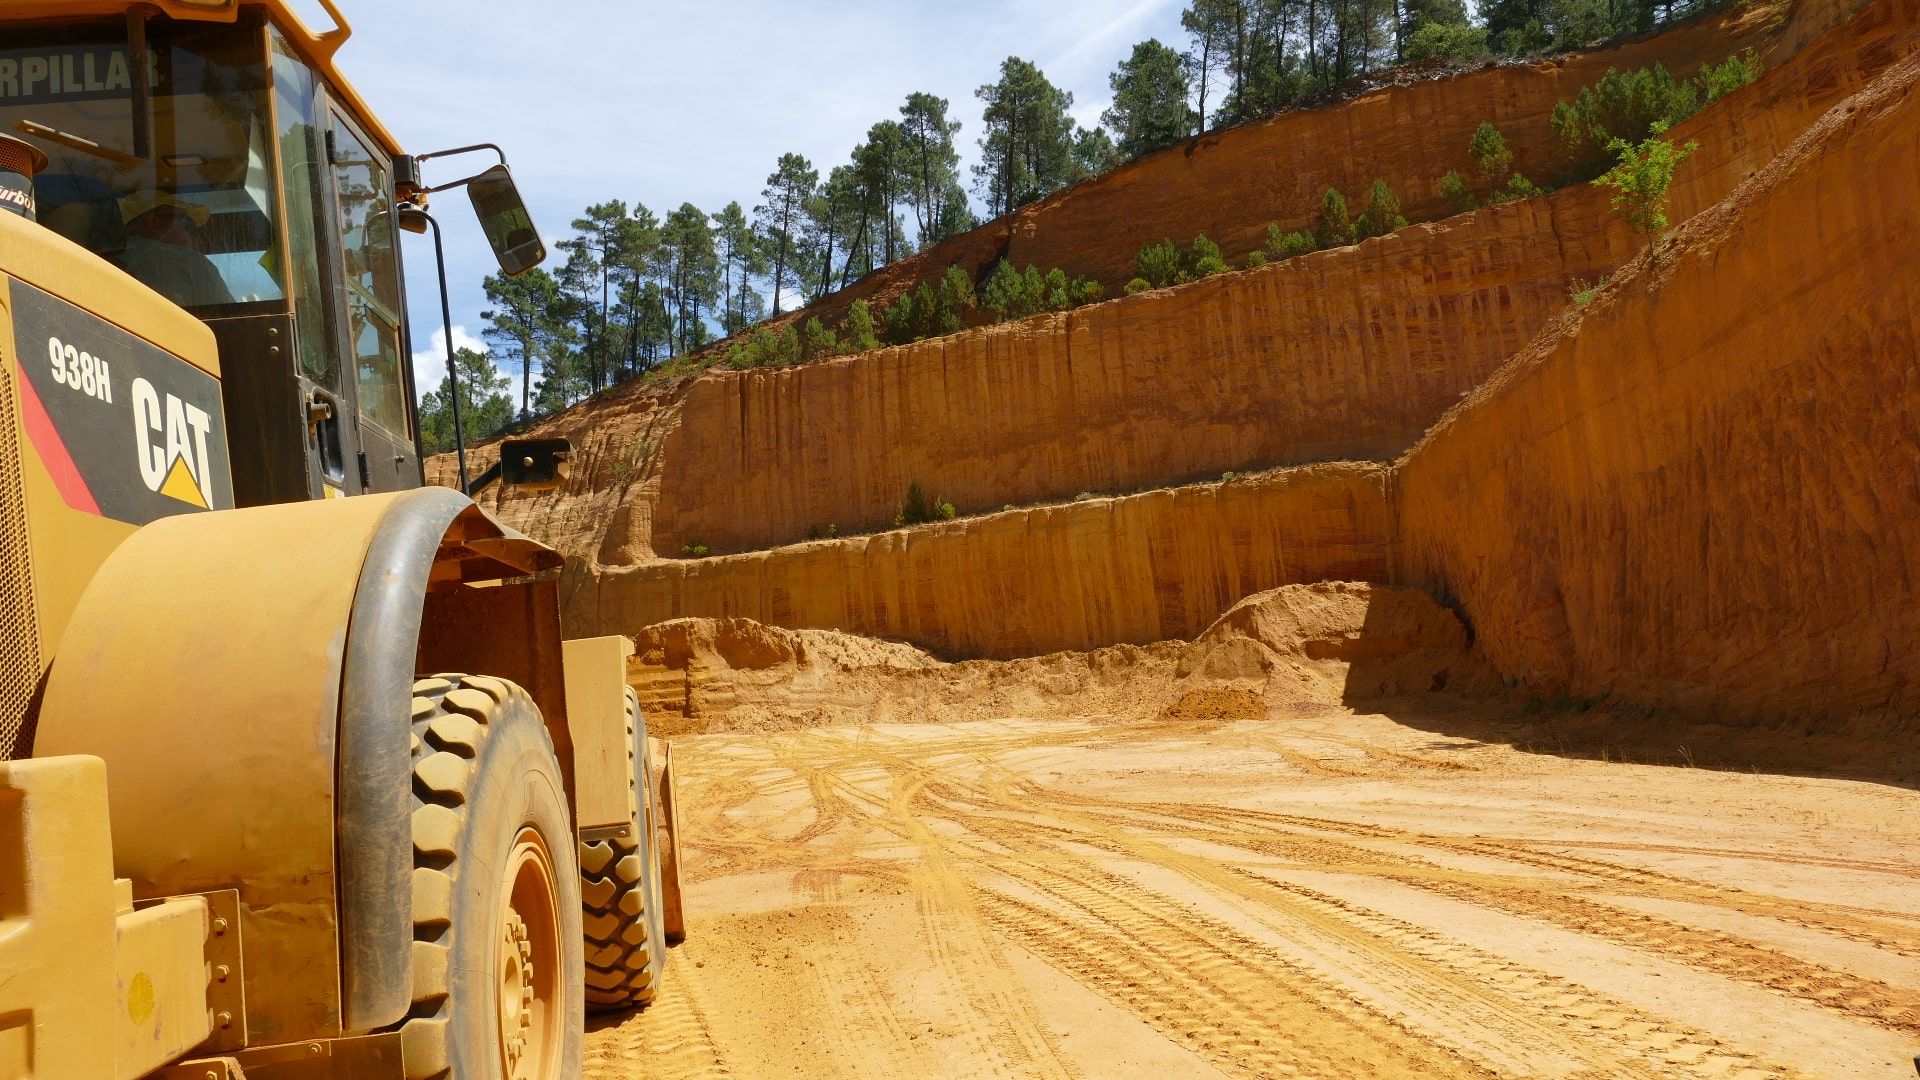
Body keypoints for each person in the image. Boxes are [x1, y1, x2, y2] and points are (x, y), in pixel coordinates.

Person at [118, 191, 234, 308]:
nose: (195, 238)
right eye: (188, 224)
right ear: (157, 222)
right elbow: (232, 319)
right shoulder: (190, 262)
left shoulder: (105, 260)